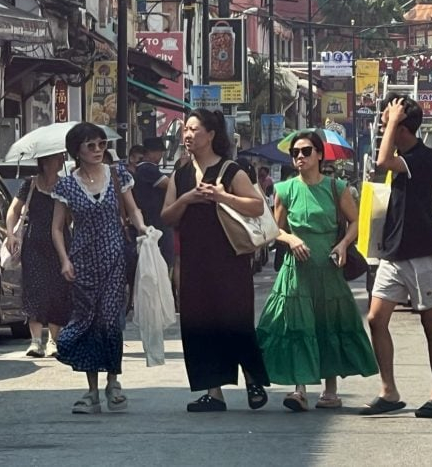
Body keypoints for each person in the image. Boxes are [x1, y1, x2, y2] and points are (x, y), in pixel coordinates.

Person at [257, 131, 377, 412]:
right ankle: (299, 389)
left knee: (328, 324)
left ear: (320, 155)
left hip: (329, 265)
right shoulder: (285, 189)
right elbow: (274, 230)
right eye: (295, 153)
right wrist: (291, 239)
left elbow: (355, 221)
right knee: (297, 325)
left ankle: (330, 390)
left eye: (306, 151)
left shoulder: (337, 187)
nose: (300, 156)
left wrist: (345, 244)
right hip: (297, 269)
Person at [160, 108, 270, 412]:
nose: (188, 135)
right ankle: (213, 391)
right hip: (194, 262)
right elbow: (166, 215)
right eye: (185, 130)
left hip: (229, 260)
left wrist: (223, 197)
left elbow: (257, 206)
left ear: (211, 135)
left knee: (235, 320)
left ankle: (252, 379)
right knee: (199, 324)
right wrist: (187, 198)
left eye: (194, 129)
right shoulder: (180, 173)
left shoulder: (230, 169)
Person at [51, 122, 148, 414]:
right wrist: (65, 260)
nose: (97, 150)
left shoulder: (118, 175)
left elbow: (132, 209)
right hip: (82, 262)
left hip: (113, 257)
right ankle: (91, 390)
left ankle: (113, 382)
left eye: (101, 145)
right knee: (87, 322)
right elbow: (56, 228)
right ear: (76, 151)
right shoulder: (66, 185)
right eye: (90, 145)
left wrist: (143, 227)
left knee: (109, 320)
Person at [363, 96, 432, 419]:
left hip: (422, 254)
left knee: (431, 323)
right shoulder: (402, 156)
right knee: (375, 319)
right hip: (393, 252)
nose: (382, 124)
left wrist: (394, 117)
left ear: (402, 126)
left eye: (387, 120)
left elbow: (383, 160)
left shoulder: (424, 158)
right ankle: (389, 391)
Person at [5, 152, 72, 358]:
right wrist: (10, 234)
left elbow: (70, 217)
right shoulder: (31, 184)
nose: (61, 160)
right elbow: (13, 211)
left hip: (60, 244)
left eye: (62, 157)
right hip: (33, 243)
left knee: (57, 290)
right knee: (34, 289)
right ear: (44, 161)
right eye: (56, 157)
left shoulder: (66, 185)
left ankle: (53, 340)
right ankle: (35, 341)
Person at [133, 138, 173, 268]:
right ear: (152, 153)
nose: (160, 156)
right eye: (160, 152)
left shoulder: (141, 169)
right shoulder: (147, 169)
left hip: (149, 217)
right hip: (154, 219)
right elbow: (169, 184)